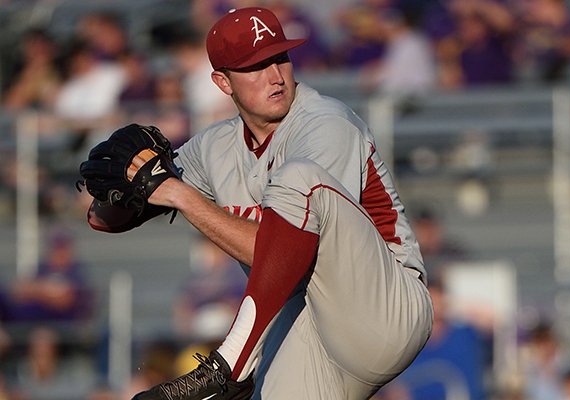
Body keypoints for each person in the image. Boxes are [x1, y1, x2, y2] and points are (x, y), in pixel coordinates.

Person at [89, 6, 432, 400]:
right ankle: (236, 369)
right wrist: (120, 186)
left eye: (279, 57)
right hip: (308, 325)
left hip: (384, 307)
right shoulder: (215, 146)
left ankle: (228, 366)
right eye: (254, 67)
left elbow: (279, 251)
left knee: (299, 178)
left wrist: (179, 195)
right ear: (223, 82)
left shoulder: (325, 124)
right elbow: (107, 218)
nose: (274, 76)